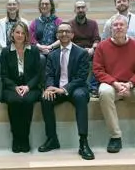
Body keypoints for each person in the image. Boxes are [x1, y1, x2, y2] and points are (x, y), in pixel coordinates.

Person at [94, 14, 135, 154]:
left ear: (127, 27)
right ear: (111, 28)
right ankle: (115, 137)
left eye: (121, 25)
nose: (118, 27)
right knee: (104, 92)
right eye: (115, 25)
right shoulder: (102, 46)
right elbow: (98, 70)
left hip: (132, 86)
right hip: (112, 85)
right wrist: (115, 84)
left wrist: (130, 84)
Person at [37, 22, 95, 160]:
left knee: (81, 97)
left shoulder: (81, 53)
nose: (64, 34)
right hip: (57, 88)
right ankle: (52, 139)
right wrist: (50, 88)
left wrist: (64, 89)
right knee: (45, 98)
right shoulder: (52, 55)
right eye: (61, 31)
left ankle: (83, 142)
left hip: (75, 88)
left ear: (72, 35)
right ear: (57, 35)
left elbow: (81, 78)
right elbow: (49, 75)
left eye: (67, 31)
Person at [0, 21, 41, 153]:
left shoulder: (33, 50)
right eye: (17, 32)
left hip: (31, 87)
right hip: (11, 87)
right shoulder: (6, 51)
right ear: (12, 34)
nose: (20, 35)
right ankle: (16, 138)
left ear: (26, 35)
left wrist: (28, 87)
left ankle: (25, 138)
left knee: (27, 101)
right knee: (15, 101)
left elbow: (38, 74)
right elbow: (4, 75)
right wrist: (14, 87)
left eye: (23, 33)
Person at [69, 0, 101, 97]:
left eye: (83, 7)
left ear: (86, 9)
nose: (81, 9)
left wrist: (92, 48)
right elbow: (68, 41)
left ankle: (93, 87)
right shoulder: (70, 24)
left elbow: (96, 39)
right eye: (78, 8)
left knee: (100, 55)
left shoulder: (93, 23)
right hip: (75, 50)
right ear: (75, 10)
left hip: (90, 51)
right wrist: (81, 51)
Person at [29, 0, 62, 73]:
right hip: (39, 50)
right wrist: (40, 47)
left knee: (54, 56)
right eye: (42, 4)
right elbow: (30, 38)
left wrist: (50, 47)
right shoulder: (35, 22)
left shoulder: (58, 21)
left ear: (51, 6)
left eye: (46, 4)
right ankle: (41, 84)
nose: (44, 6)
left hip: (55, 49)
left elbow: (62, 38)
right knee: (41, 58)